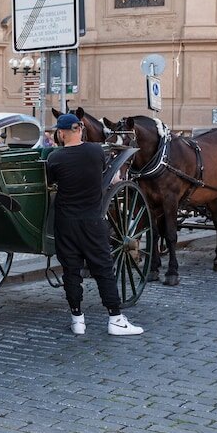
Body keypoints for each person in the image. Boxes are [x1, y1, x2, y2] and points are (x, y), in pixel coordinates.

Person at [47, 114, 144, 336]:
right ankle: (115, 318)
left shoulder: (55, 158)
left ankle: (77, 320)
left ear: (61, 134)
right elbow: (104, 175)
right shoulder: (96, 152)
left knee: (71, 271)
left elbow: (52, 181)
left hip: (66, 222)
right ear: (80, 130)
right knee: (103, 269)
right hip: (92, 220)